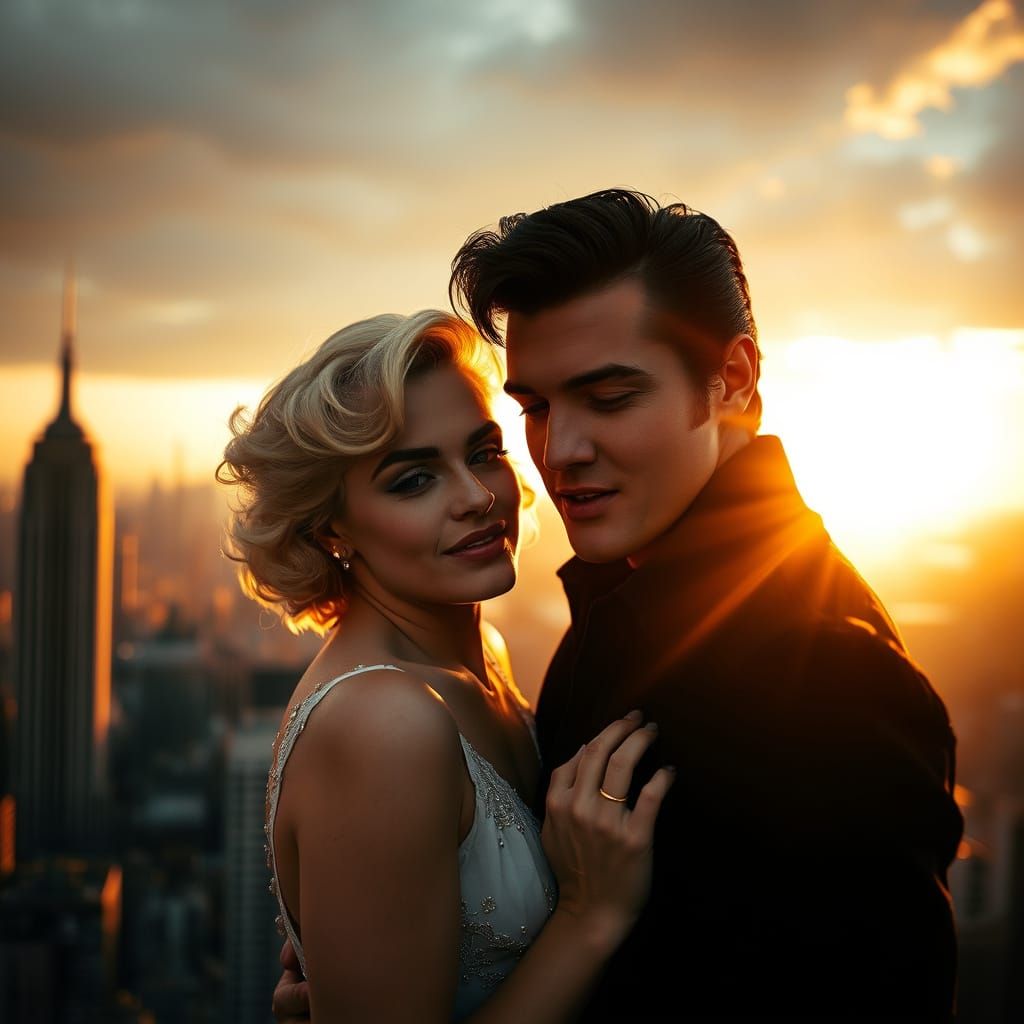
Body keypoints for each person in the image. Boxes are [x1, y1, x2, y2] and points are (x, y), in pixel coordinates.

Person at [273, 190, 964, 1021]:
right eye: (532, 407)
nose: (558, 453)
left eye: (609, 397)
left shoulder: (823, 671)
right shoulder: (614, 607)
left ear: (732, 380)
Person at [218, 309, 676, 1023]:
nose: (475, 497)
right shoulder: (382, 725)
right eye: (412, 481)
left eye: (484, 452)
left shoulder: (482, 658)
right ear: (331, 527)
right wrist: (589, 914)